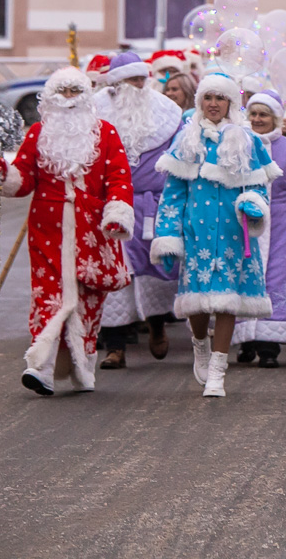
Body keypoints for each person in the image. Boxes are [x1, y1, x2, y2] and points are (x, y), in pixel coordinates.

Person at [0, 67, 134, 395]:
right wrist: (4, 174)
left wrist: (117, 213)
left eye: (75, 92)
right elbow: (24, 179)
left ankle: (81, 367)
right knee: (49, 296)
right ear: (50, 97)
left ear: (86, 96)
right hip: (47, 230)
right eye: (62, 92)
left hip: (93, 230)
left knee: (86, 300)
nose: (68, 100)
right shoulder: (38, 133)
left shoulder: (105, 133)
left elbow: (120, 179)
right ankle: (41, 367)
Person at [152, 73, 280, 397]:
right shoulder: (187, 139)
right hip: (196, 232)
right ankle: (200, 344)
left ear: (230, 103)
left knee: (227, 301)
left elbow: (258, 187)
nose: (213, 104)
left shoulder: (246, 140)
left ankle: (218, 372)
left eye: (219, 98)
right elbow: (172, 193)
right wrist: (167, 234)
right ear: (200, 101)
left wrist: (253, 204)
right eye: (207, 97)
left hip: (233, 233)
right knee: (196, 303)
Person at [93, 52, 184, 370]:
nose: (138, 85)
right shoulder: (96, 111)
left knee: (156, 270)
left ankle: (157, 325)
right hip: (111, 206)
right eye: (132, 80)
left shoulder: (168, 114)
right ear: (116, 84)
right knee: (114, 275)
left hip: (153, 205)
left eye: (141, 79)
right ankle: (115, 346)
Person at [235, 91, 286, 367]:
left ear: (275, 118)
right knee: (245, 279)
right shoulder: (237, 145)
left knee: (277, 278)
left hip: (281, 222)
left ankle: (269, 348)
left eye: (263, 114)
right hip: (244, 222)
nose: (257, 119)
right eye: (254, 114)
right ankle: (245, 339)